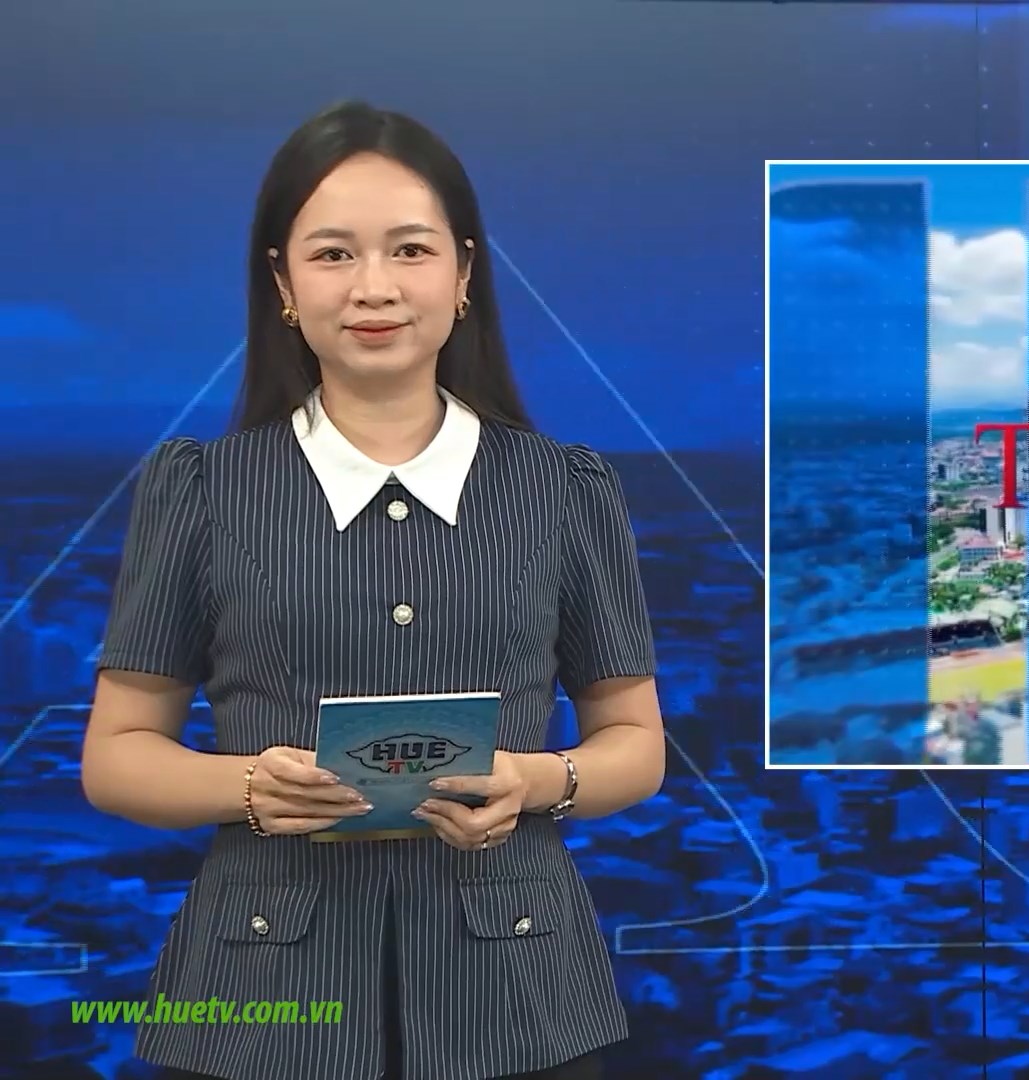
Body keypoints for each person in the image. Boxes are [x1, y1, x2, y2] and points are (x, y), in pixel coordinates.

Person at [79, 101, 666, 1080]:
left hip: (518, 995)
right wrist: (248, 788)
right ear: (282, 282)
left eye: (410, 250)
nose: (375, 287)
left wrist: (536, 782)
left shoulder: (564, 488)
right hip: (262, 999)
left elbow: (636, 743)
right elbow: (116, 755)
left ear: (465, 273)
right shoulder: (202, 490)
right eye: (333, 255)